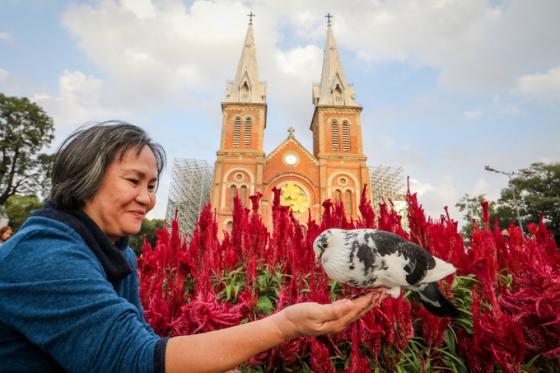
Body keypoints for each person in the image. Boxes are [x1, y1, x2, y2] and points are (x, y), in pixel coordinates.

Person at [0, 122, 385, 373]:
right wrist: (285, 324)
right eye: (133, 181)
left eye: (151, 186)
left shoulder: (116, 251)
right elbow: (131, 361)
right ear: (85, 179)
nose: (147, 199)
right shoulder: (44, 257)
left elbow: (140, 339)